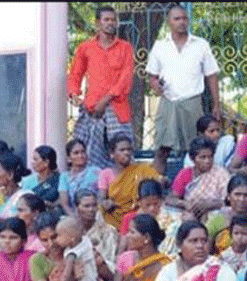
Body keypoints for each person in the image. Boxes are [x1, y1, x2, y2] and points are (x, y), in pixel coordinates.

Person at [146, 4, 220, 174]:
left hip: (192, 102)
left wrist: (216, 104)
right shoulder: (160, 46)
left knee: (197, 149)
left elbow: (211, 75)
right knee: (162, 149)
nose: (181, 22)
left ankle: (196, 188)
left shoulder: (201, 45)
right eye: (177, 18)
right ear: (168, 21)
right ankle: (158, 188)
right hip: (168, 102)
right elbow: (152, 76)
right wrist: (155, 85)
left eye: (184, 18)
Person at [68, 5, 134, 169]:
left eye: (113, 20)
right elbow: (75, 73)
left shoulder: (125, 48)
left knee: (122, 152)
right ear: (98, 23)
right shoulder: (86, 48)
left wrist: (106, 99)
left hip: (117, 108)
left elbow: (125, 79)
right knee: (87, 154)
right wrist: (74, 93)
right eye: (106, 20)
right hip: (92, 109)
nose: (110, 23)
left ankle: (122, 188)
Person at [97, 134, 161, 229]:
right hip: (113, 218)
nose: (126, 153)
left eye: (129, 150)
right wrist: (106, 203)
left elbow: (158, 180)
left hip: (138, 216)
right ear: (112, 154)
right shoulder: (106, 173)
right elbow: (101, 198)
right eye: (122, 150)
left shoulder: (141, 170)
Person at [167, 136, 230, 221]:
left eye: (210, 157)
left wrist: (210, 205)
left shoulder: (221, 174)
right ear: (192, 159)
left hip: (214, 216)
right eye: (202, 157)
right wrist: (185, 204)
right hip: (190, 213)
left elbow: (228, 202)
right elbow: (170, 199)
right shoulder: (186, 174)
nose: (207, 161)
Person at [119, 179, 182, 257]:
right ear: (139, 202)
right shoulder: (130, 218)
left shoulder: (172, 220)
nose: (152, 208)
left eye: (156, 204)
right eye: (148, 205)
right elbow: (122, 249)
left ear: (162, 201)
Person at [55, 216, 101, 281]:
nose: (56, 239)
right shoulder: (85, 240)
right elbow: (93, 241)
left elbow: (66, 276)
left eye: (59, 235)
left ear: (71, 238)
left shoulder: (72, 254)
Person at [21, 145, 69, 212]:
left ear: (46, 162)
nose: (32, 162)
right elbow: (24, 202)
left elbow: (64, 201)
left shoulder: (61, 178)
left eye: (35, 159)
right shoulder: (27, 181)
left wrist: (52, 205)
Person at [61, 138, 101, 208]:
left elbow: (102, 197)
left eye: (83, 152)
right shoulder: (64, 176)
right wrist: (74, 217)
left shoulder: (96, 171)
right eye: (76, 153)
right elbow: (65, 204)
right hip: (74, 215)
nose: (80, 156)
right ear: (69, 158)